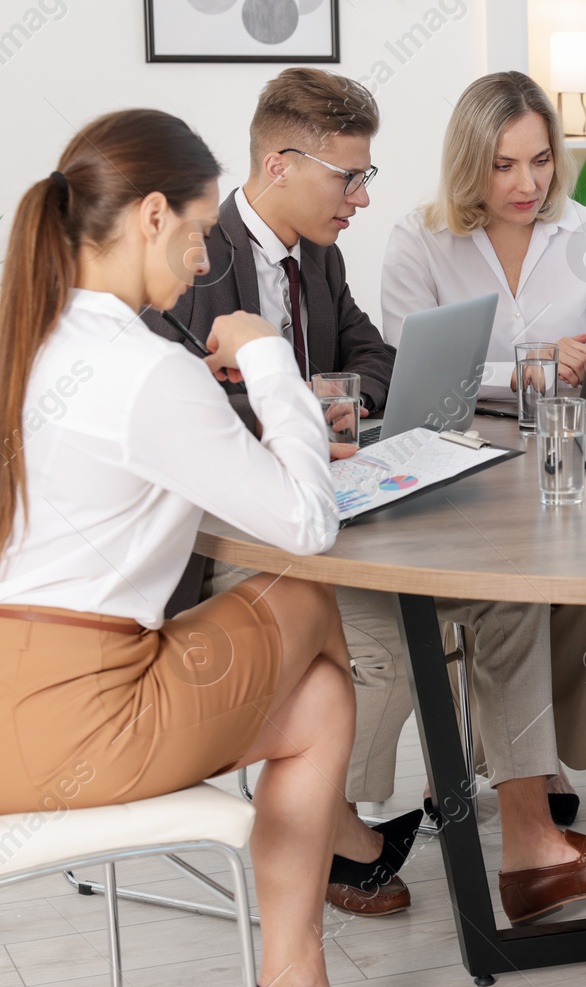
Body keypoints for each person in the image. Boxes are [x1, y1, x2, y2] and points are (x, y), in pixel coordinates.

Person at [0, 108, 353, 987]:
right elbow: (310, 524)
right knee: (305, 595)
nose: (204, 260)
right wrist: (269, 359)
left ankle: (298, 957)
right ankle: (306, 938)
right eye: (198, 231)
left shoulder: (31, 340)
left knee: (318, 702)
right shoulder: (143, 368)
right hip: (83, 719)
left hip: (12, 705)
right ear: (151, 215)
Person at [378, 69, 586, 926]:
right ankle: (517, 777)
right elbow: (410, 368)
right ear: (471, 163)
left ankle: (530, 771)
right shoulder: (419, 239)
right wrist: (535, 366)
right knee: (510, 590)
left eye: (541, 161)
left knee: (582, 581)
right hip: (454, 469)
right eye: (504, 165)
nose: (527, 185)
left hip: (565, 459)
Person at [142, 67, 426, 918]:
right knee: (383, 642)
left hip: (319, 501)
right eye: (350, 177)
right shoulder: (191, 259)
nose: (361, 199)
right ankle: (321, 828)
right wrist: (299, 406)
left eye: (365, 177)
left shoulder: (324, 259)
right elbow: (188, 409)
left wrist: (323, 404)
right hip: (227, 533)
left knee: (439, 604)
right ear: (278, 165)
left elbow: (378, 360)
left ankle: (331, 818)